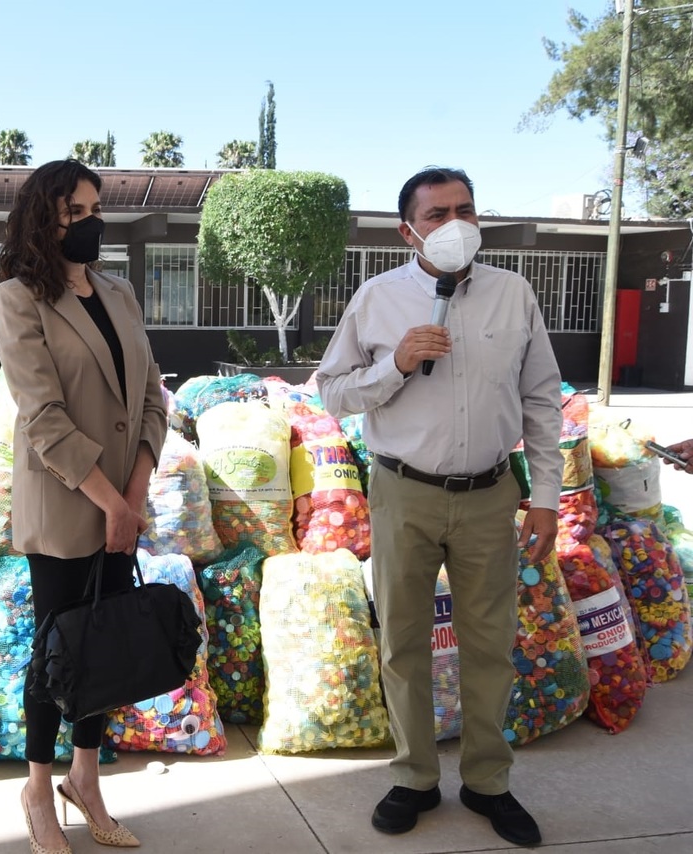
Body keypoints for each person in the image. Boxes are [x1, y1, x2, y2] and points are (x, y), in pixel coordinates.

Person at [317, 167, 563, 848]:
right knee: (402, 641)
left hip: (490, 495)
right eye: (436, 215)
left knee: (491, 644)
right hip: (405, 492)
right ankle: (415, 777)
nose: (455, 225)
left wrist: (545, 496)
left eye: (466, 210)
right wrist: (393, 364)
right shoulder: (378, 298)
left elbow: (543, 398)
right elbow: (333, 393)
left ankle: (488, 782)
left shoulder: (514, 294)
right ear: (407, 230)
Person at [0, 159, 167, 854]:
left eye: (96, 208)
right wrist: (108, 501)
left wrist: (134, 496)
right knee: (56, 651)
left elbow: (152, 398)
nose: (91, 222)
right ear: (45, 217)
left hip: (121, 502)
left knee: (104, 647)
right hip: (67, 505)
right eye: (76, 211)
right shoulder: (19, 298)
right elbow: (44, 417)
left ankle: (85, 780)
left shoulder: (119, 293)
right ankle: (38, 789)